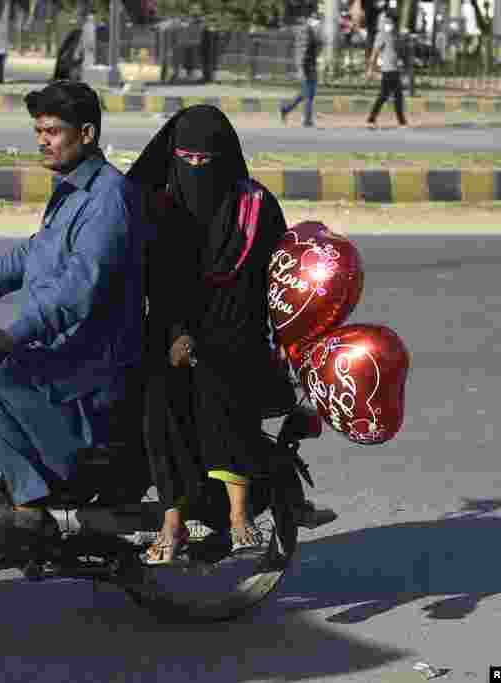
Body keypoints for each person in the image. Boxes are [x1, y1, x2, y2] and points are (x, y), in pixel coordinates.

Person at [0, 80, 151, 538]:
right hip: (60, 352)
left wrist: (10, 334)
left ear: (86, 134)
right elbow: (32, 256)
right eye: (39, 131)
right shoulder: (70, 190)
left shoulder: (107, 200)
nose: (43, 141)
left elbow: (76, 291)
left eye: (52, 131)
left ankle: (34, 503)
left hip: (87, 364)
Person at [126, 105, 335, 565]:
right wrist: (179, 333)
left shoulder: (256, 206)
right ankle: (172, 520)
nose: (196, 170)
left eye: (206, 161)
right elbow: (156, 283)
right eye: (187, 160)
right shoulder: (162, 207)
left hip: (236, 335)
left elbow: (282, 279)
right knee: (158, 400)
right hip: (171, 332)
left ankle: (240, 516)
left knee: (215, 386)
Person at [366, 12, 409, 129]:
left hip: (395, 70)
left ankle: (372, 119)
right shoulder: (382, 35)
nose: (389, 24)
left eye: (391, 22)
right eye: (388, 22)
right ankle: (401, 122)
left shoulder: (394, 35)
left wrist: (401, 62)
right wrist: (370, 69)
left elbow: (396, 51)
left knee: (387, 96)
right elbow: (374, 53)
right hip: (388, 70)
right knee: (391, 96)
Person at [280, 14, 322, 128]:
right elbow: (301, 51)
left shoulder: (313, 32)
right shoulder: (306, 31)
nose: (318, 24)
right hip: (306, 66)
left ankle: (286, 108)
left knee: (307, 93)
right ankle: (307, 120)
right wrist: (300, 69)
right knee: (309, 94)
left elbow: (316, 48)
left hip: (311, 65)